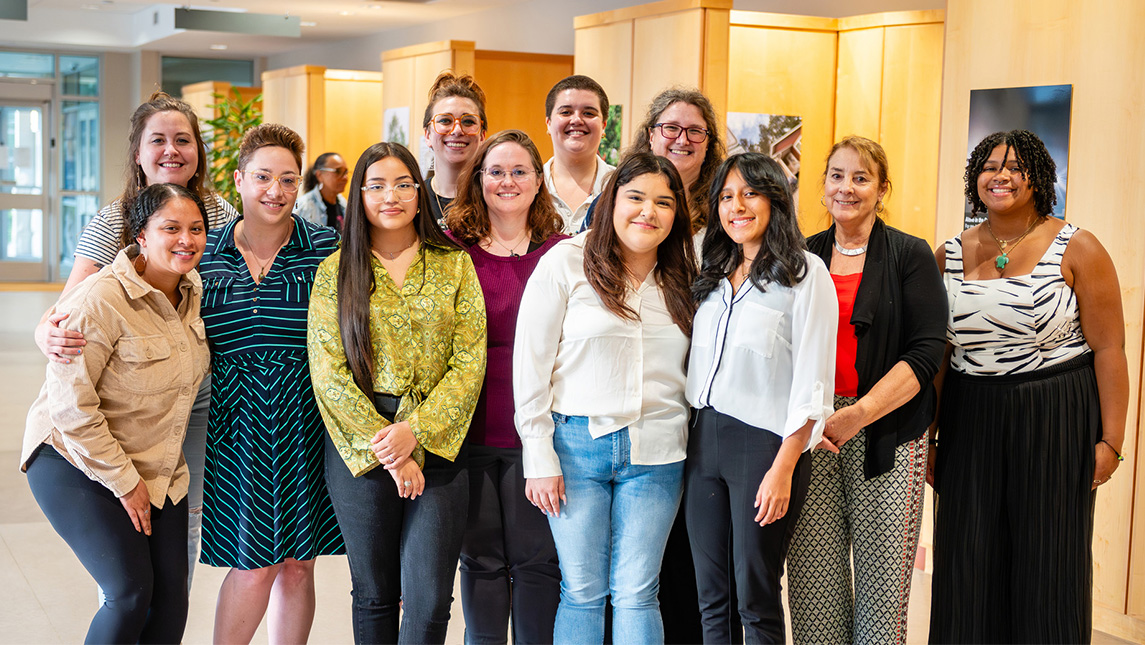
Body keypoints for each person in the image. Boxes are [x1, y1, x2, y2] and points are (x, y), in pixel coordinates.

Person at [32, 90, 238, 590]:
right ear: (139, 154)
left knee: (183, 522)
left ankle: (166, 615)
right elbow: (69, 306)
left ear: (198, 152)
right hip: (132, 393)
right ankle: (126, 601)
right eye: (158, 140)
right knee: (127, 532)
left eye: (183, 140)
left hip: (198, 390)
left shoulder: (223, 213)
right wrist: (45, 332)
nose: (172, 150)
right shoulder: (116, 216)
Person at [929, 129, 1128, 644]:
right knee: (966, 557)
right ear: (976, 179)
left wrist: (1111, 441)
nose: (1001, 175)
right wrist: (928, 439)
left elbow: (1109, 350)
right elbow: (940, 358)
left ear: (1038, 178)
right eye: (990, 165)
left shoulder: (1077, 246)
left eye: (1016, 166)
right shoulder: (948, 253)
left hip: (1055, 413)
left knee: (1049, 562)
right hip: (970, 415)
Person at [307, 142, 487, 644]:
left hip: (440, 440)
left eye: (404, 184)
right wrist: (388, 445)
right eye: (377, 185)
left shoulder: (453, 264)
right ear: (359, 194)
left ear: (420, 191)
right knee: (374, 594)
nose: (392, 196)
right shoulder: (336, 270)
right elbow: (329, 370)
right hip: (362, 446)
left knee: (429, 601)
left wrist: (417, 435)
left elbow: (470, 360)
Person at [514, 152, 697, 643]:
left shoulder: (684, 276)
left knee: (638, 591)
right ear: (611, 201)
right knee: (581, 590)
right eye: (635, 197)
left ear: (676, 214)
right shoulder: (566, 261)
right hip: (575, 447)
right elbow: (529, 363)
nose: (648, 212)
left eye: (663, 202)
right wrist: (538, 453)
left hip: (658, 451)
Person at [22, 183, 210, 643]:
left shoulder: (192, 289)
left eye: (196, 229)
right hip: (72, 458)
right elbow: (71, 409)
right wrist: (124, 482)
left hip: (157, 466)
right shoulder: (100, 299)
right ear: (141, 235)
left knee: (171, 601)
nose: (186, 239)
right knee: (129, 592)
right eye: (171, 228)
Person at [787, 136, 946, 644]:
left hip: (889, 432)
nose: (847, 188)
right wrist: (813, 420)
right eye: (836, 175)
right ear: (823, 186)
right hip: (811, 432)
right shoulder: (802, 256)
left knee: (882, 599)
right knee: (813, 590)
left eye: (861, 178)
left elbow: (925, 353)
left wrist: (857, 415)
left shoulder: (910, 254)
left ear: (882, 189)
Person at [199, 124, 344, 643]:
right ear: (238, 180)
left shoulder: (327, 248)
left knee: (298, 565)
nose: (275, 191)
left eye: (287, 179)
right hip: (235, 426)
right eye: (262, 177)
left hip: (304, 421)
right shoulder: (204, 253)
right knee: (252, 561)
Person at [686, 152, 837, 644]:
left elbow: (814, 381)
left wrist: (784, 466)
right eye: (726, 197)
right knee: (711, 597)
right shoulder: (709, 271)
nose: (737, 206)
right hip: (701, 441)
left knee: (755, 596)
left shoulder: (805, 273)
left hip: (764, 447)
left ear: (775, 200)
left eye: (750, 193)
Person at [446, 129, 568, 644]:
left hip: (539, 434)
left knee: (538, 563)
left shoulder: (564, 253)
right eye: (495, 171)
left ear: (540, 181)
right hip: (470, 431)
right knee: (481, 562)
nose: (508, 181)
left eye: (520, 171)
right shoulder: (452, 251)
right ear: (478, 180)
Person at [542, 75, 614, 233]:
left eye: (588, 113)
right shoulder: (529, 184)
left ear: (603, 126)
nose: (576, 120)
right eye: (566, 112)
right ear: (548, 123)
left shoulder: (620, 186)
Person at [422, 72, 489, 227]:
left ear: (482, 136)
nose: (457, 130)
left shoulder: (495, 199)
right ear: (427, 135)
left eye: (468, 121)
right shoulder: (413, 200)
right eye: (445, 120)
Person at [295, 151, 349, 230]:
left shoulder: (343, 204)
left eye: (346, 172)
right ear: (319, 175)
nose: (345, 178)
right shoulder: (303, 206)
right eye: (338, 171)